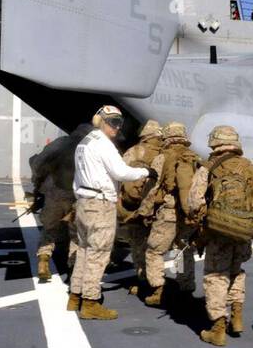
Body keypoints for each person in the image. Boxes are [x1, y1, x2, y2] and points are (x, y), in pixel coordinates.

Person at [186, 125, 253, 346]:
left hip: (218, 231)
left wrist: (202, 219)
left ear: (214, 143)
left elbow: (194, 201)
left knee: (216, 275)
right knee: (236, 271)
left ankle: (217, 328)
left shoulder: (208, 168)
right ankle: (236, 316)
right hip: (244, 230)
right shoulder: (250, 166)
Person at [70, 106, 150, 319]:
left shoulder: (84, 143)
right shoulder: (104, 145)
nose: (117, 127)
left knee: (84, 251)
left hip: (84, 202)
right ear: (99, 121)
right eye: (112, 121)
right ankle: (90, 303)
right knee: (99, 254)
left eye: (119, 122)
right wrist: (146, 172)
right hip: (100, 204)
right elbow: (121, 172)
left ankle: (75, 296)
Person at [139, 122, 201, 308]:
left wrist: (144, 211)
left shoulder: (161, 158)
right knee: (182, 251)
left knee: (154, 250)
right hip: (188, 214)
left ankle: (158, 290)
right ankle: (185, 287)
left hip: (168, 213)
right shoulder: (194, 158)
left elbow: (152, 189)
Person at [28, 122, 93, 285]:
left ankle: (43, 260)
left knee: (50, 229)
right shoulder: (90, 147)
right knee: (76, 235)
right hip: (77, 196)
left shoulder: (61, 143)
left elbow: (38, 163)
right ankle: (73, 271)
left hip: (54, 193)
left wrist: (38, 182)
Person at [115, 120, 165, 295]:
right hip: (159, 207)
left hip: (135, 207)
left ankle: (143, 279)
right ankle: (157, 282)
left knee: (138, 245)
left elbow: (118, 175)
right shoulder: (165, 153)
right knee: (155, 248)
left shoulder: (134, 151)